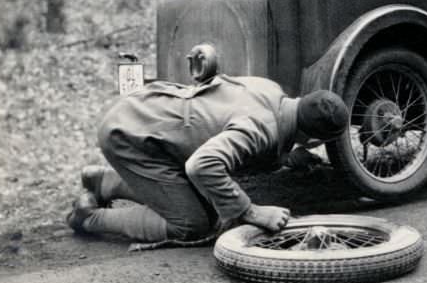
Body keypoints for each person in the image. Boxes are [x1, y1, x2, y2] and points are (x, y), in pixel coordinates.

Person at [66, 74, 349, 244]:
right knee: (192, 223)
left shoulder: (270, 90)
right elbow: (202, 165)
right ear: (313, 139)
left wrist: (287, 158)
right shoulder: (261, 129)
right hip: (132, 136)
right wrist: (250, 211)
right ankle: (89, 217)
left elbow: (233, 125)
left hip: (145, 110)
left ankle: (102, 181)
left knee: (207, 202)